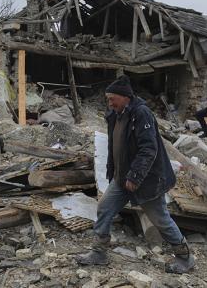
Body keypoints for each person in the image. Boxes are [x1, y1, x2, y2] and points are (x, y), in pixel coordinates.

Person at [76, 75, 195, 274]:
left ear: (125, 97)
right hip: (122, 178)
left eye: (112, 98)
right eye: (108, 99)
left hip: (146, 179)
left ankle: (185, 257)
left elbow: (148, 149)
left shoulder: (141, 114)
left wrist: (135, 176)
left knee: (160, 219)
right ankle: (99, 253)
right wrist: (115, 173)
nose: (109, 102)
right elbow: (115, 146)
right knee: (104, 209)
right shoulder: (116, 115)